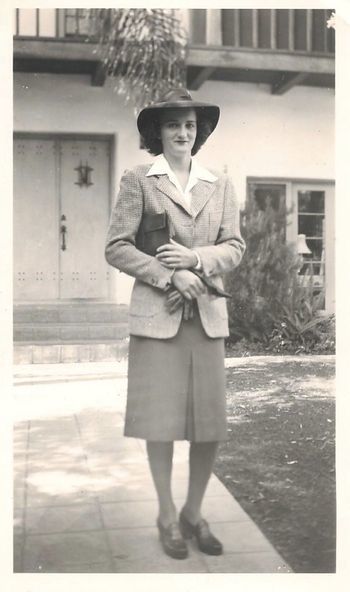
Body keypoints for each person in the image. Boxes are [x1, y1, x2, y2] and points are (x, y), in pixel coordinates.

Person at [105, 88, 246, 560]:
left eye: (190, 124)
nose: (183, 132)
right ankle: (166, 514)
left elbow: (235, 246)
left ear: (199, 130)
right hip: (157, 319)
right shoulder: (138, 179)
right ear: (157, 132)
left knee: (209, 427)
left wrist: (197, 259)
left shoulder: (219, 183)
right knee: (160, 424)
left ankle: (193, 512)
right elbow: (117, 247)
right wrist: (170, 274)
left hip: (207, 318)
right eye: (172, 125)